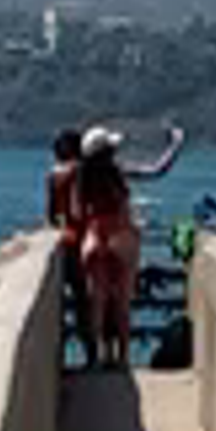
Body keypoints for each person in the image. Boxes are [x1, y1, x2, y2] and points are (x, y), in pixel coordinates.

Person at [73, 123, 142, 372]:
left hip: (94, 237)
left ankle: (99, 358)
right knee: (122, 303)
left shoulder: (82, 177)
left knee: (97, 303)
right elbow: (124, 206)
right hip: (120, 237)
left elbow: (77, 212)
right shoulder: (116, 174)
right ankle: (122, 358)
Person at [45, 129, 90, 364]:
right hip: (88, 236)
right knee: (89, 300)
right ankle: (94, 353)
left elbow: (52, 215)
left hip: (68, 239)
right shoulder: (82, 171)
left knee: (72, 300)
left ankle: (66, 355)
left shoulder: (54, 176)